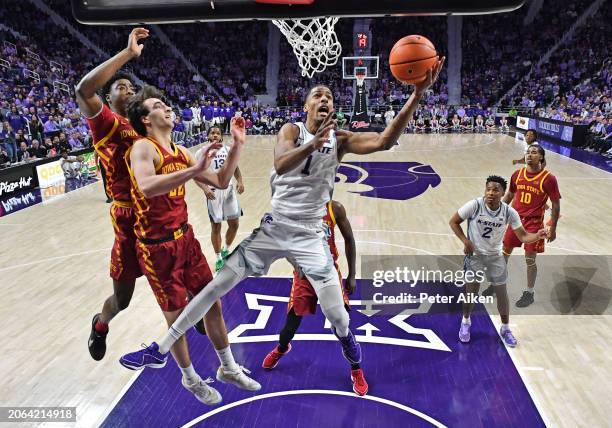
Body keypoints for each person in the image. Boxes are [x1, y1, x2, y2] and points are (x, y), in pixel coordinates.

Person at [120, 58, 445, 396]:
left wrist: (418, 93)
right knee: (216, 286)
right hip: (275, 228)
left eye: (329, 98)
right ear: (305, 105)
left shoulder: (341, 140)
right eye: (318, 95)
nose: (324, 101)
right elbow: (282, 164)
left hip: (311, 235)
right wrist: (312, 144)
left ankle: (353, 361)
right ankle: (159, 350)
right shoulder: (291, 131)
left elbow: (386, 141)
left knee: (340, 318)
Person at [119, 85, 260, 403]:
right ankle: (190, 378)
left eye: (166, 102)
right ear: (146, 119)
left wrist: (237, 144)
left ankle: (228, 367)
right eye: (158, 105)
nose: (166, 107)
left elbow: (222, 181)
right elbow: (146, 186)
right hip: (156, 248)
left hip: (186, 239)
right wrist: (194, 170)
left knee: (213, 304)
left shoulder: (181, 153)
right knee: (177, 318)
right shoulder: (143, 148)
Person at [76, 28, 148, 361]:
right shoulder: (106, 122)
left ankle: (201, 320)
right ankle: (101, 323)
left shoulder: (145, 127)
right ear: (109, 96)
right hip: (126, 217)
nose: (128, 90)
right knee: (123, 299)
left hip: (155, 211)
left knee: (182, 276)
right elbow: (83, 89)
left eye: (132, 87)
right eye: (121, 86)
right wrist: (128, 54)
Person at [261, 200, 366, 394]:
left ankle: (356, 369)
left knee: (341, 324)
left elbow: (349, 239)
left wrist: (352, 275)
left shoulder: (334, 209)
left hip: (328, 273)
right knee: (288, 329)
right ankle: (282, 347)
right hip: (304, 276)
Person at [449, 176, 546, 347]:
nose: (491, 193)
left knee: (501, 293)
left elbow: (523, 236)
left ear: (502, 193)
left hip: (495, 256)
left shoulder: (509, 212)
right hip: (475, 256)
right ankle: (465, 323)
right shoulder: (475, 205)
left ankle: (505, 328)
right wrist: (465, 241)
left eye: (495, 190)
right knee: (471, 292)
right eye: (488, 189)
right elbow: (454, 221)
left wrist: (537, 235)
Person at [482, 144, 561, 306]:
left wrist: (553, 228)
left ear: (541, 157)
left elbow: (556, 204)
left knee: (530, 260)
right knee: (503, 254)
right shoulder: (517, 174)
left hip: (534, 224)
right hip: (515, 220)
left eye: (533, 153)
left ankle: (529, 292)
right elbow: (510, 195)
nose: (529, 155)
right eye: (527, 152)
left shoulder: (549, 179)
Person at [195, 126, 245, 271]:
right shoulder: (201, 152)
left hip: (229, 190)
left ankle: (226, 250)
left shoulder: (228, 150)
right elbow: (195, 173)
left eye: (218, 133)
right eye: (212, 133)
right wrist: (204, 189)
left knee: (234, 224)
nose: (215, 135)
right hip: (213, 192)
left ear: (222, 136)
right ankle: (218, 258)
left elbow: (234, 167)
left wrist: (240, 181)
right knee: (216, 226)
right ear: (208, 136)